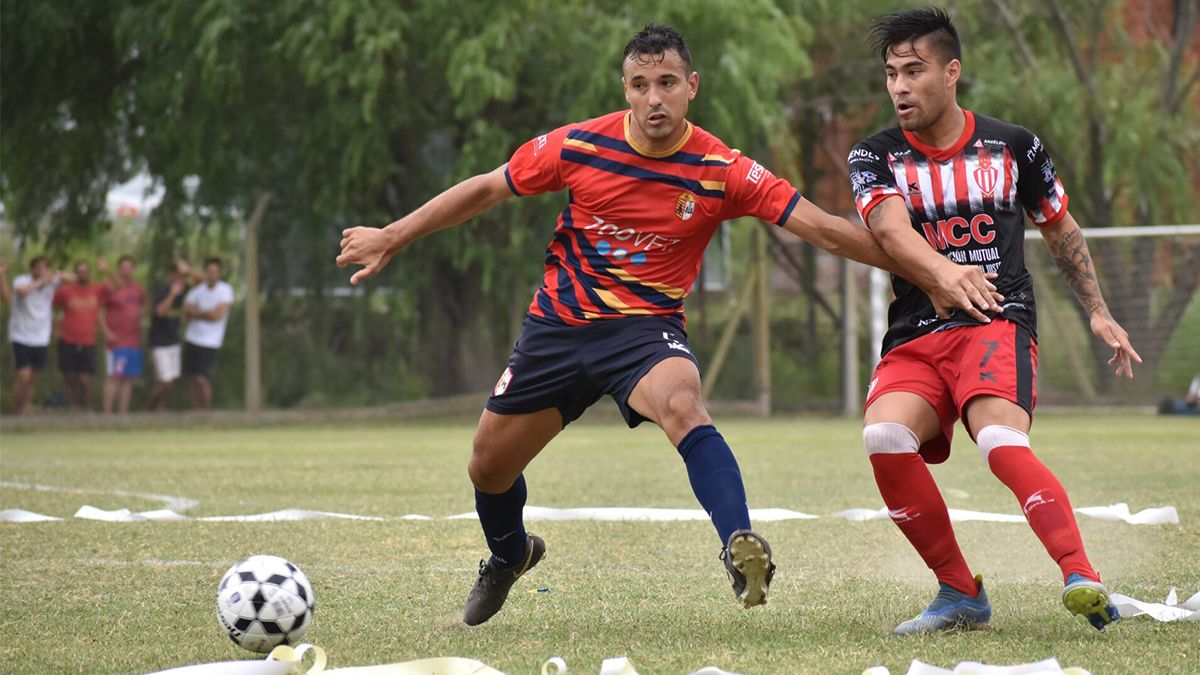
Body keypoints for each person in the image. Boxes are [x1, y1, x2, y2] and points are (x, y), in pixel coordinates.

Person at [339, 23, 1000, 627]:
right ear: (624, 89)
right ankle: (510, 554)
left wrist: (933, 271)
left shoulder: (721, 169)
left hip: (644, 332)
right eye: (639, 85)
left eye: (666, 83)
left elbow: (825, 228)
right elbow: (487, 187)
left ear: (691, 86)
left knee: (683, 402)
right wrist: (393, 235)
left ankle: (739, 544)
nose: (653, 98)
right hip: (558, 329)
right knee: (487, 467)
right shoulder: (578, 146)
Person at [847, 8, 1141, 635]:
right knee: (884, 437)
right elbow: (891, 231)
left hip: (995, 322)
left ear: (951, 72)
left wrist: (1097, 311)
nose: (900, 86)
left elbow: (1059, 227)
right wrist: (944, 274)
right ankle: (959, 592)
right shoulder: (873, 154)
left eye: (914, 71)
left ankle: (1080, 575)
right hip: (917, 334)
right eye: (891, 74)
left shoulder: (1014, 145)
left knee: (1000, 440)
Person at [3, 257, 65, 414]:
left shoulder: (51, 283)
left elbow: (74, 278)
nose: (41, 270)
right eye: (38, 267)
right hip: (21, 335)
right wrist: (43, 280)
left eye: (44, 267)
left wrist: (56, 274)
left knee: (32, 377)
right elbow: (21, 292)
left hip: (41, 337)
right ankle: (16, 409)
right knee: (23, 376)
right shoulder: (22, 280)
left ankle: (25, 408)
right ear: (31, 269)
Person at [53, 258, 109, 410]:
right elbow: (48, 306)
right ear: (75, 274)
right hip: (67, 340)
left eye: (86, 272)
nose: (83, 275)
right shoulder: (66, 291)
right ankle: (70, 409)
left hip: (88, 341)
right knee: (69, 379)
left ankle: (83, 408)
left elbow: (117, 286)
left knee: (85, 380)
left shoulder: (97, 289)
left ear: (90, 273)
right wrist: (54, 327)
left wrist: (106, 271)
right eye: (80, 272)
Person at [146, 260, 198, 411]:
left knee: (167, 382)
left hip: (174, 341)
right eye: (178, 275)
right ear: (172, 274)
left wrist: (189, 271)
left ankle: (159, 411)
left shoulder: (185, 290)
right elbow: (160, 312)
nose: (181, 278)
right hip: (159, 342)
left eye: (183, 276)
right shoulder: (163, 291)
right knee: (166, 383)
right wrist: (172, 294)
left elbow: (204, 282)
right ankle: (148, 410)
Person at [182, 257, 234, 409]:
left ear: (219, 273)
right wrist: (206, 313)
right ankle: (196, 410)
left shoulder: (225, 290)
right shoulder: (197, 291)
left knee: (202, 378)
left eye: (215, 271)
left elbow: (217, 315)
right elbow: (187, 312)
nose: (212, 274)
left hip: (211, 342)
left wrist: (198, 312)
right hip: (193, 338)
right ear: (205, 272)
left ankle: (206, 410)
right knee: (193, 378)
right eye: (209, 271)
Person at [101, 255, 148, 414]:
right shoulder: (110, 288)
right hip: (116, 341)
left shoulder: (138, 289)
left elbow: (144, 306)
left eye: (129, 267)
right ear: (118, 269)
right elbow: (100, 309)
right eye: (123, 267)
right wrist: (106, 330)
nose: (126, 270)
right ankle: (107, 414)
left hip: (133, 341)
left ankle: (123, 414)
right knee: (114, 377)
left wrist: (138, 316)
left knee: (128, 379)